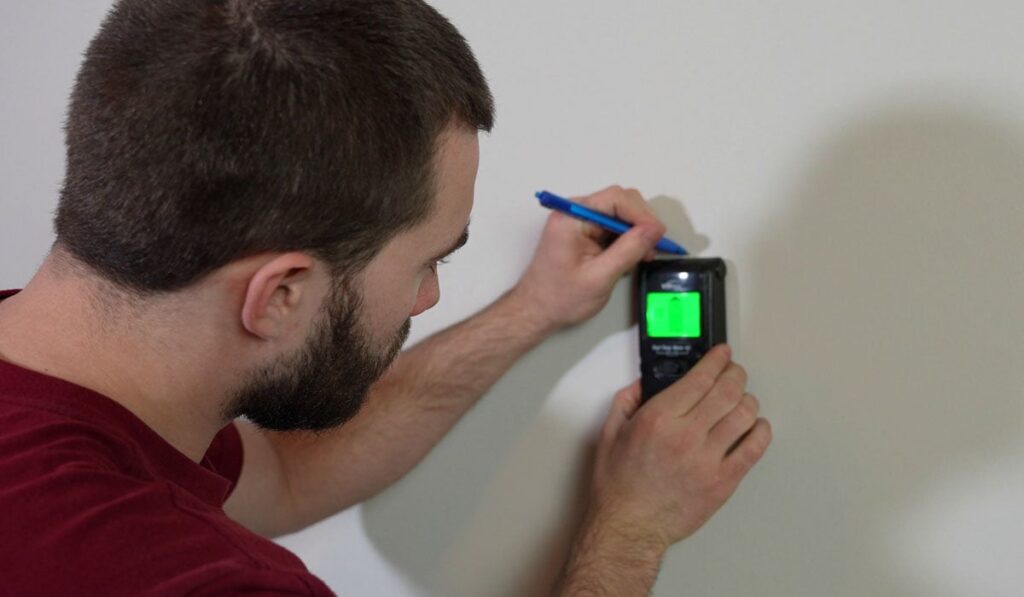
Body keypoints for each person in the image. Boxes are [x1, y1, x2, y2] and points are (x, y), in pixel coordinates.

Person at [0, 0, 771, 594]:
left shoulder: (95, 405)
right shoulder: (204, 580)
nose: (428, 296)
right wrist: (633, 525)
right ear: (279, 295)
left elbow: (289, 477)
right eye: (427, 262)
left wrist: (532, 309)